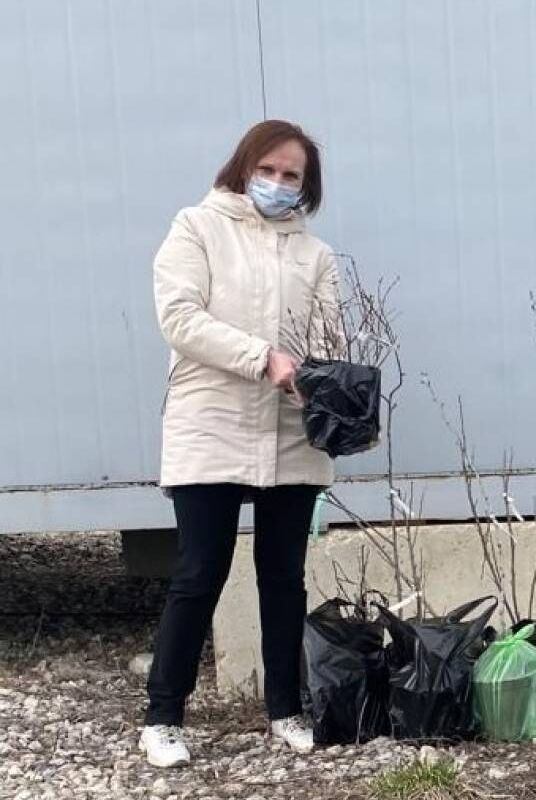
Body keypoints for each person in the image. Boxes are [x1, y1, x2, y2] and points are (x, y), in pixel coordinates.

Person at [142, 120, 341, 767]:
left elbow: (330, 340)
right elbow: (180, 318)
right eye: (270, 169)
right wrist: (263, 357)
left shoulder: (315, 255)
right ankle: (163, 717)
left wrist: (329, 380)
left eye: (293, 177)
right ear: (244, 165)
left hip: (290, 432)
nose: (279, 184)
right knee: (201, 572)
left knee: (283, 577)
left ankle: (286, 707)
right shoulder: (196, 228)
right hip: (211, 424)